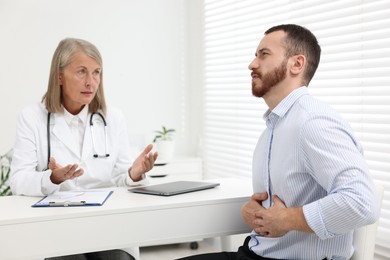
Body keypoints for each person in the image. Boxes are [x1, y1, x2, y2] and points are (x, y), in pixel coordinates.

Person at [176, 24, 380, 260]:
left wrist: (286, 219)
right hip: (256, 253)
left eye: (264, 55)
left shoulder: (313, 121)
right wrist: (254, 212)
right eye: (255, 56)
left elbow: (362, 202)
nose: (252, 64)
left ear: (297, 64)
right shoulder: (275, 128)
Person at [10, 38, 158, 260]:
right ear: (59, 76)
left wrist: (133, 174)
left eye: (96, 72)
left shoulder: (113, 118)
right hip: (58, 225)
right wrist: (52, 179)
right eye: (81, 72)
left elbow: (120, 178)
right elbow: (18, 180)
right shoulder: (32, 118)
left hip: (105, 223)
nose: (91, 82)